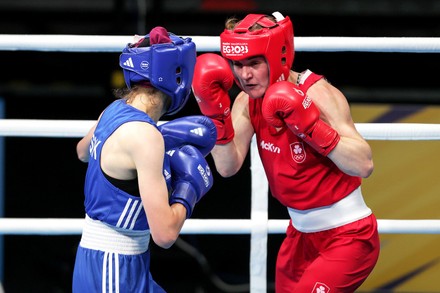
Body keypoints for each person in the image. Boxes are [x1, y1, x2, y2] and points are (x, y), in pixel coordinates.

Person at [192, 11, 380, 292]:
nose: (245, 74)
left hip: (348, 236)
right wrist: (214, 113)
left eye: (254, 63)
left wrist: (312, 128)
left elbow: (364, 163)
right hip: (300, 236)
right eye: (237, 64)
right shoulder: (246, 100)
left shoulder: (317, 94)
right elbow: (228, 166)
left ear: (278, 56)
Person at [73, 26, 217, 292]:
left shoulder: (114, 109)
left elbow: (83, 151)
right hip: (114, 271)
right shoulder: (146, 137)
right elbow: (165, 234)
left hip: (100, 261)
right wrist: (190, 188)